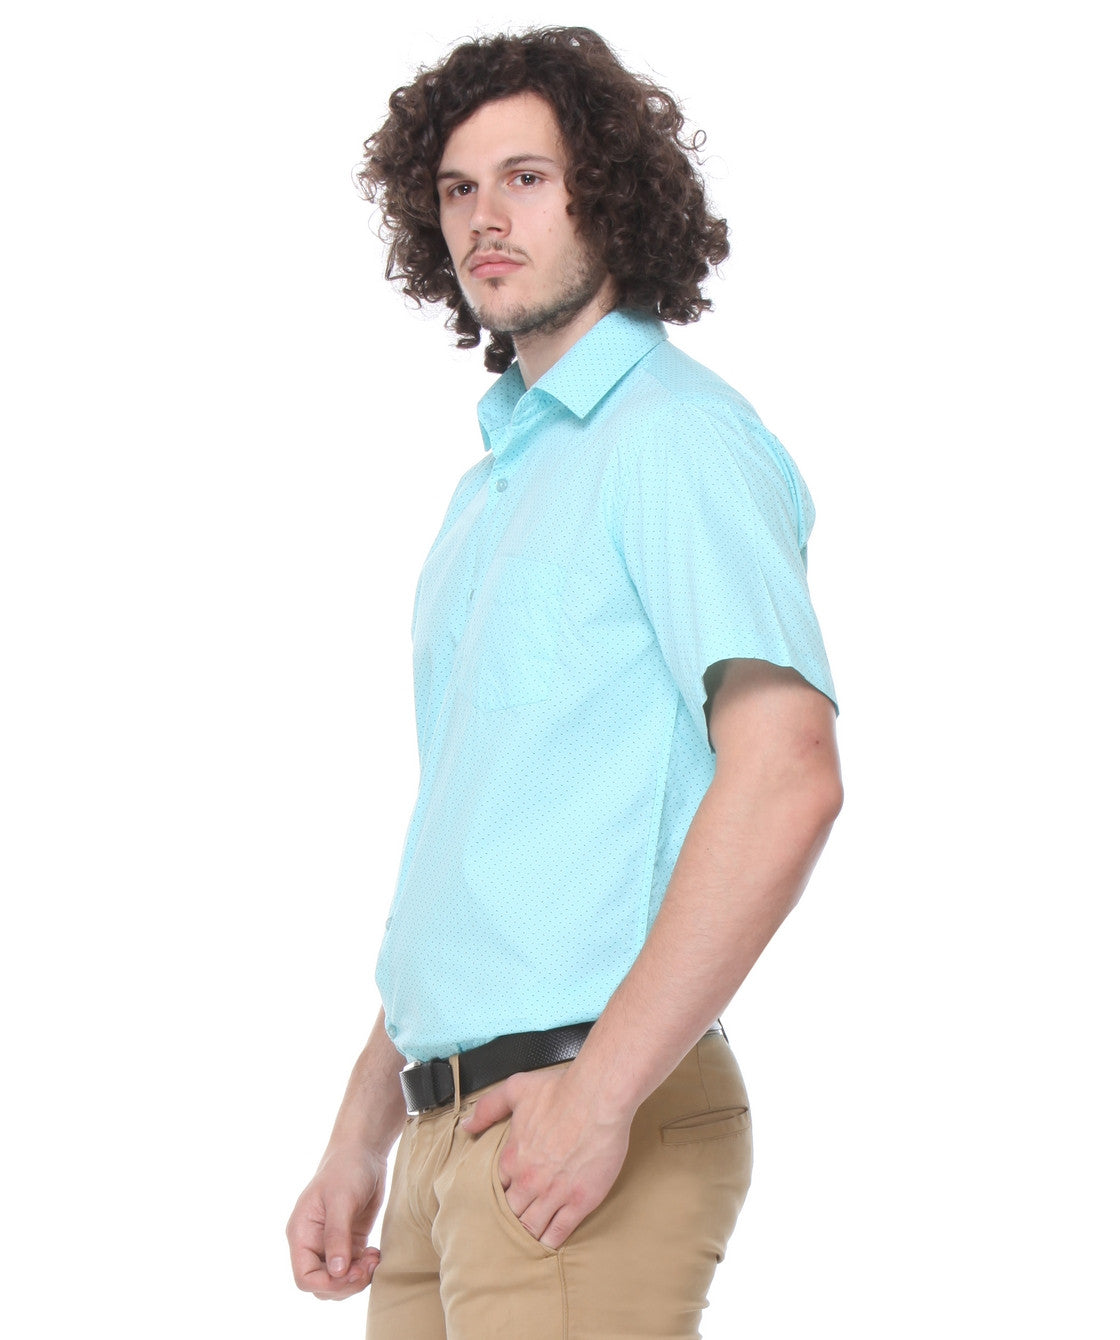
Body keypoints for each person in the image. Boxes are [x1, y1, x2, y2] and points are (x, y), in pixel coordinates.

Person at [287, 26, 842, 1339]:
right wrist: (366, 1127)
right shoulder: (494, 491)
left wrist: (600, 1099)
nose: (485, 218)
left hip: (589, 1113)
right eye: (457, 189)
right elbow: (479, 844)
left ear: (611, 195)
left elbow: (788, 776)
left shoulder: (674, 441)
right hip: (449, 1134)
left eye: (526, 179)